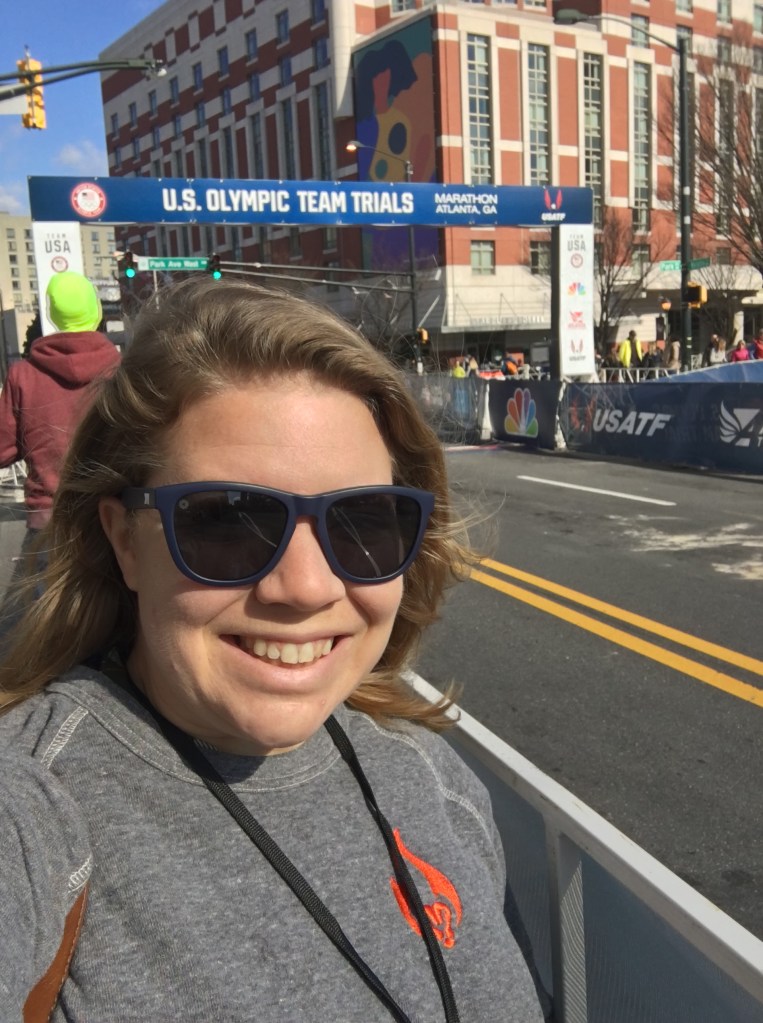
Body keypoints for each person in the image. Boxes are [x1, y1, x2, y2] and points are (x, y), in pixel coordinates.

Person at [0, 279, 544, 1022]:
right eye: (225, 520)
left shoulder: (430, 777)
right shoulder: (34, 801)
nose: (306, 586)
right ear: (123, 539)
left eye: (364, 522)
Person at [0, 271, 120, 536]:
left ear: (52, 314)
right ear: (96, 310)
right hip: (111, 518)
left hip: (48, 520)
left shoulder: (23, 375)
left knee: (39, 578)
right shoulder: (123, 372)